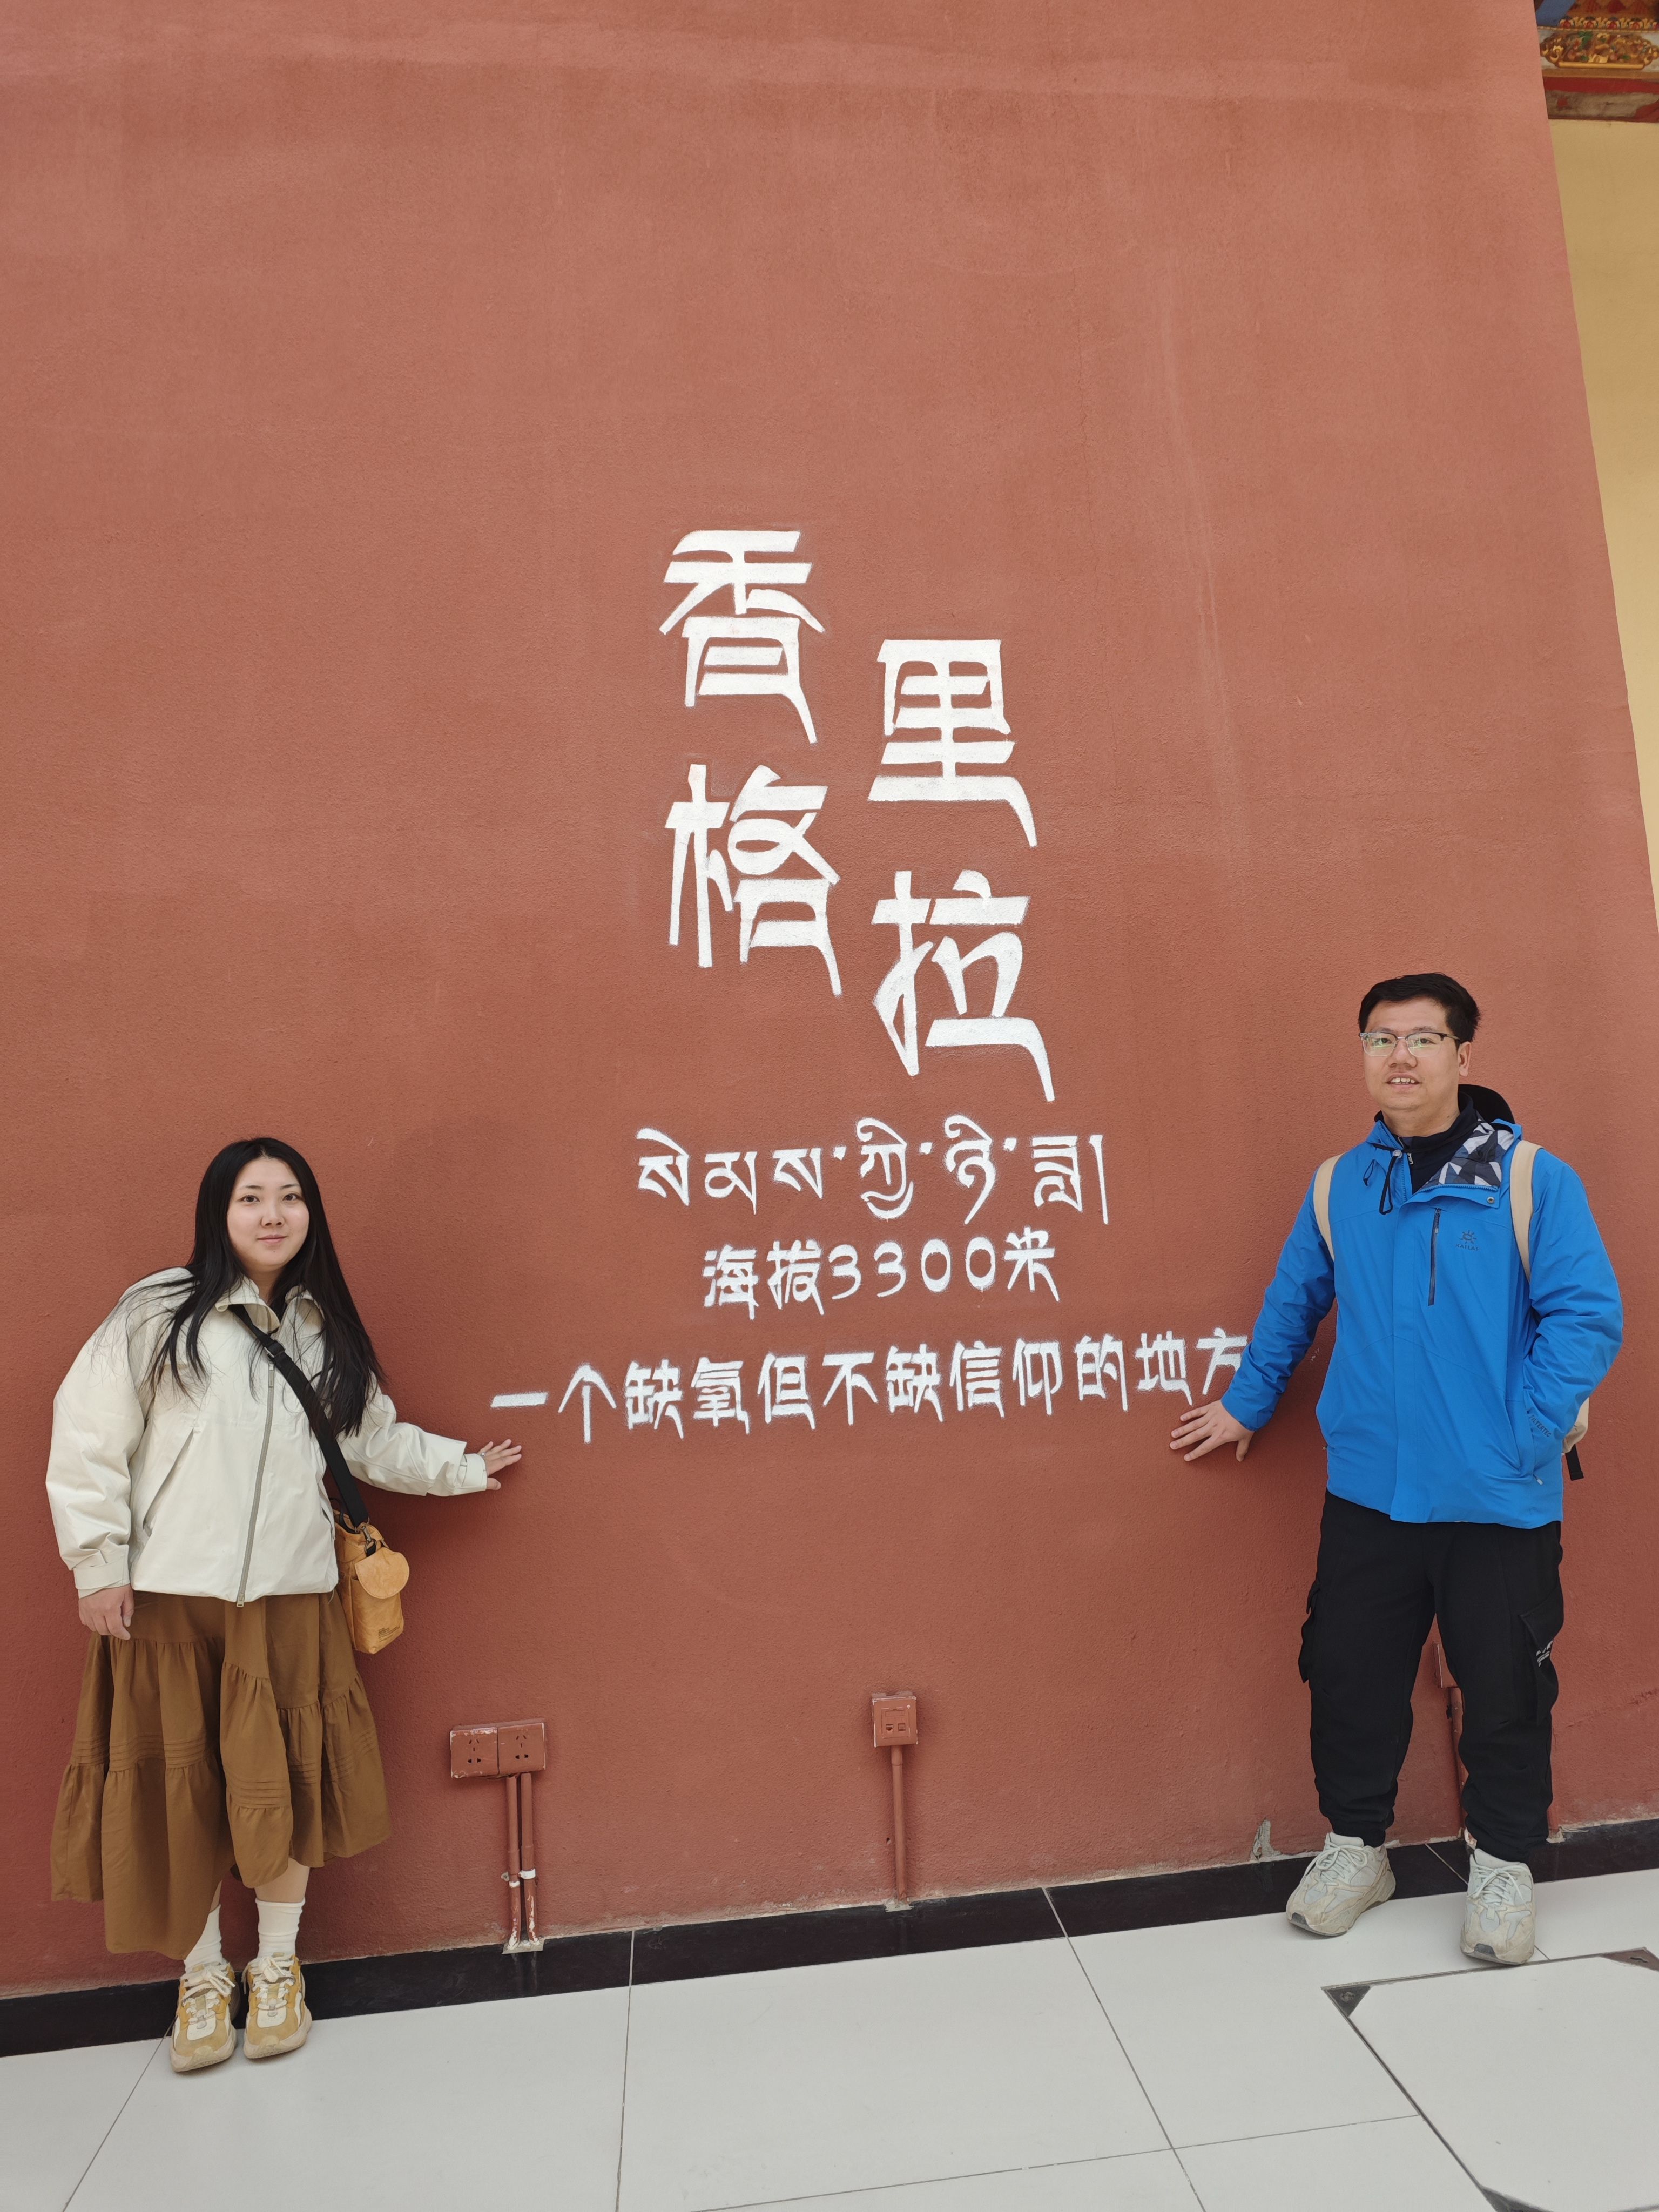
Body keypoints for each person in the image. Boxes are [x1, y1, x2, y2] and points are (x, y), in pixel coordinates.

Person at [1171, 975, 1621, 1966]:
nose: (1401, 1057)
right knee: (1348, 1673)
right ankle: (1355, 1848)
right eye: (1382, 1039)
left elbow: (1587, 1315)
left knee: (1505, 1687)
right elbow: (1295, 1300)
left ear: (1464, 1056)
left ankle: (1502, 1865)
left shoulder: (1531, 1178)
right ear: (1365, 1057)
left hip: (1498, 1497)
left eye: (1423, 1038)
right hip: (1371, 1492)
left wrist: (1523, 1435)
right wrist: (1248, 1403)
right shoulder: (1341, 1184)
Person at [46, 1138, 523, 2072]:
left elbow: (370, 1442)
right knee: (180, 1789)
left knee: (285, 1783)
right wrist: (98, 1565)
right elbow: (88, 1438)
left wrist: (464, 1468)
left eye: (290, 1196)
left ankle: (276, 1967)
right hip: (170, 1602)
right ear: (217, 1212)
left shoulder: (320, 1325)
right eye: (251, 1197)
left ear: (311, 1213)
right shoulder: (157, 1312)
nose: (272, 1214)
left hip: (289, 1598)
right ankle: (202, 1977)